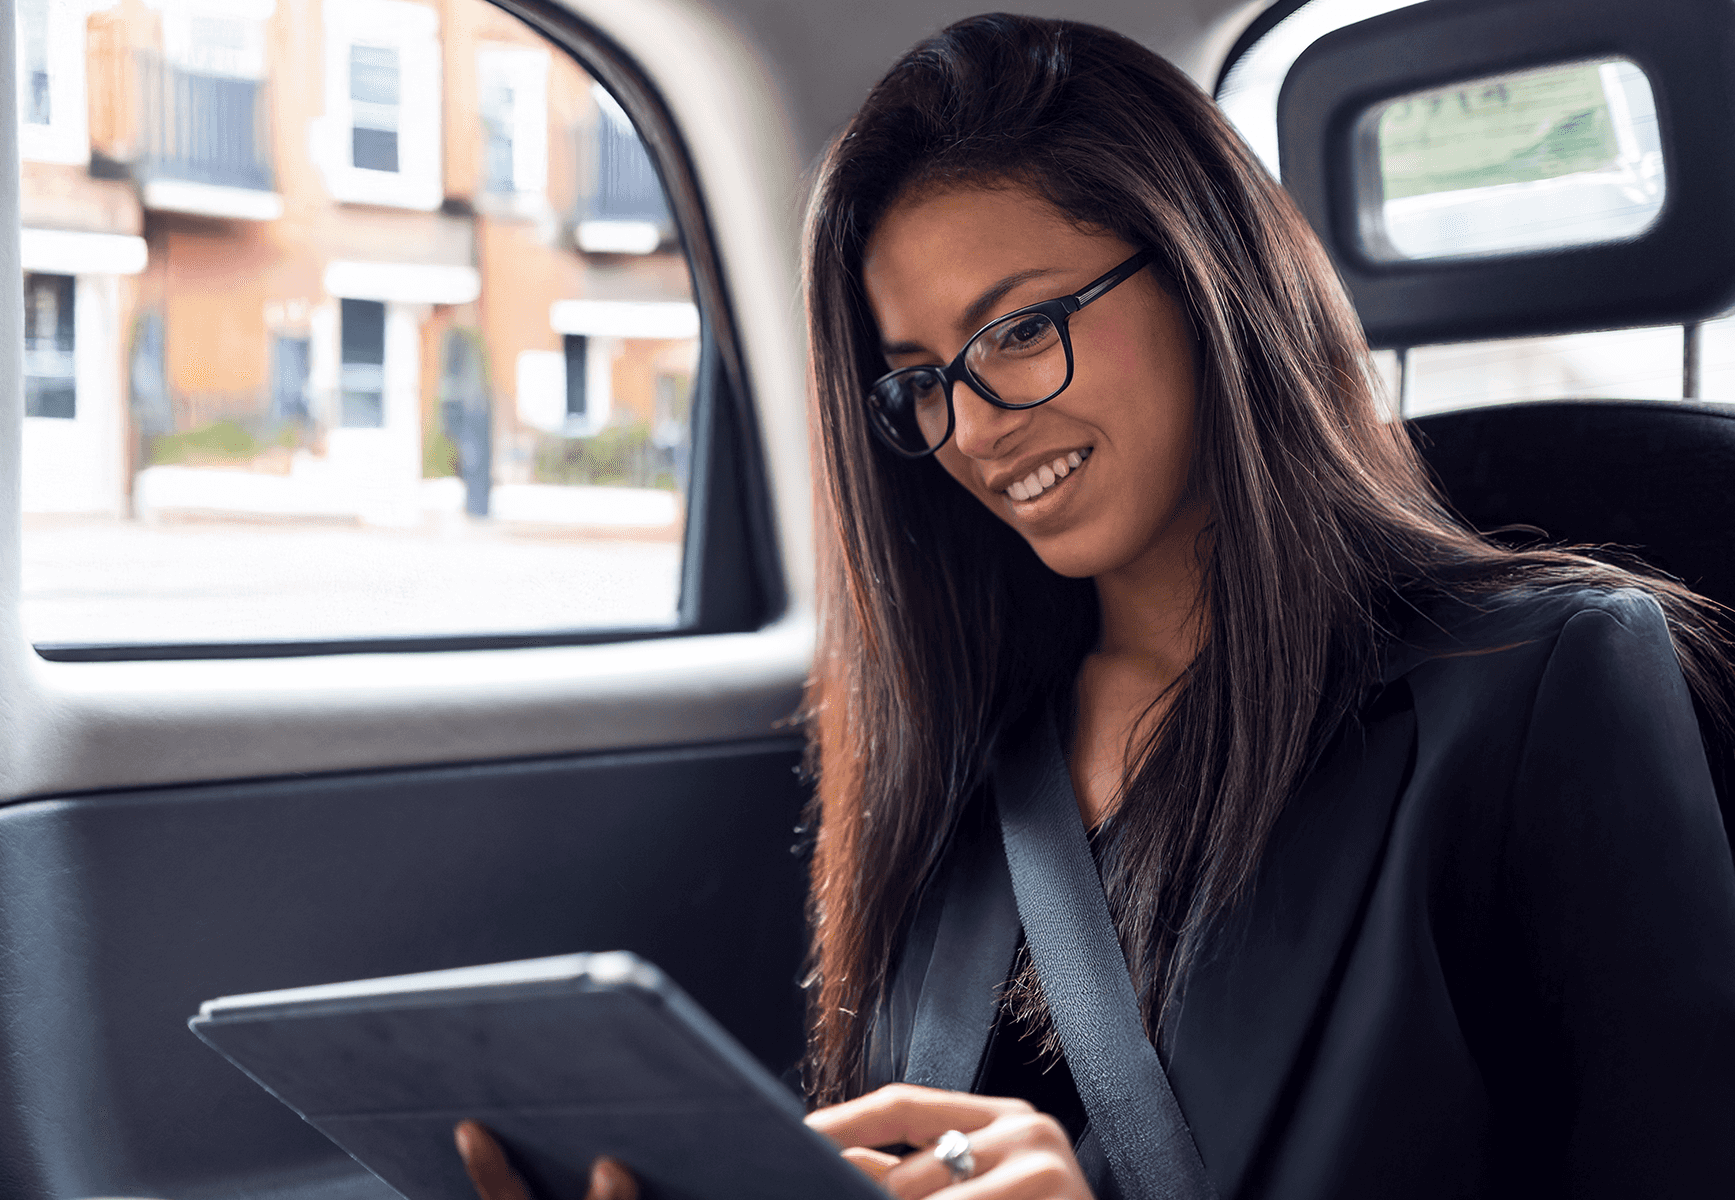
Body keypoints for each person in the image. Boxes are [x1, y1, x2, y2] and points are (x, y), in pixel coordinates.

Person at [461, 13, 1735, 1200]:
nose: (970, 427)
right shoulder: (960, 737)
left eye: (1017, 328)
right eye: (918, 382)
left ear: (1202, 277)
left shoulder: (1545, 681)